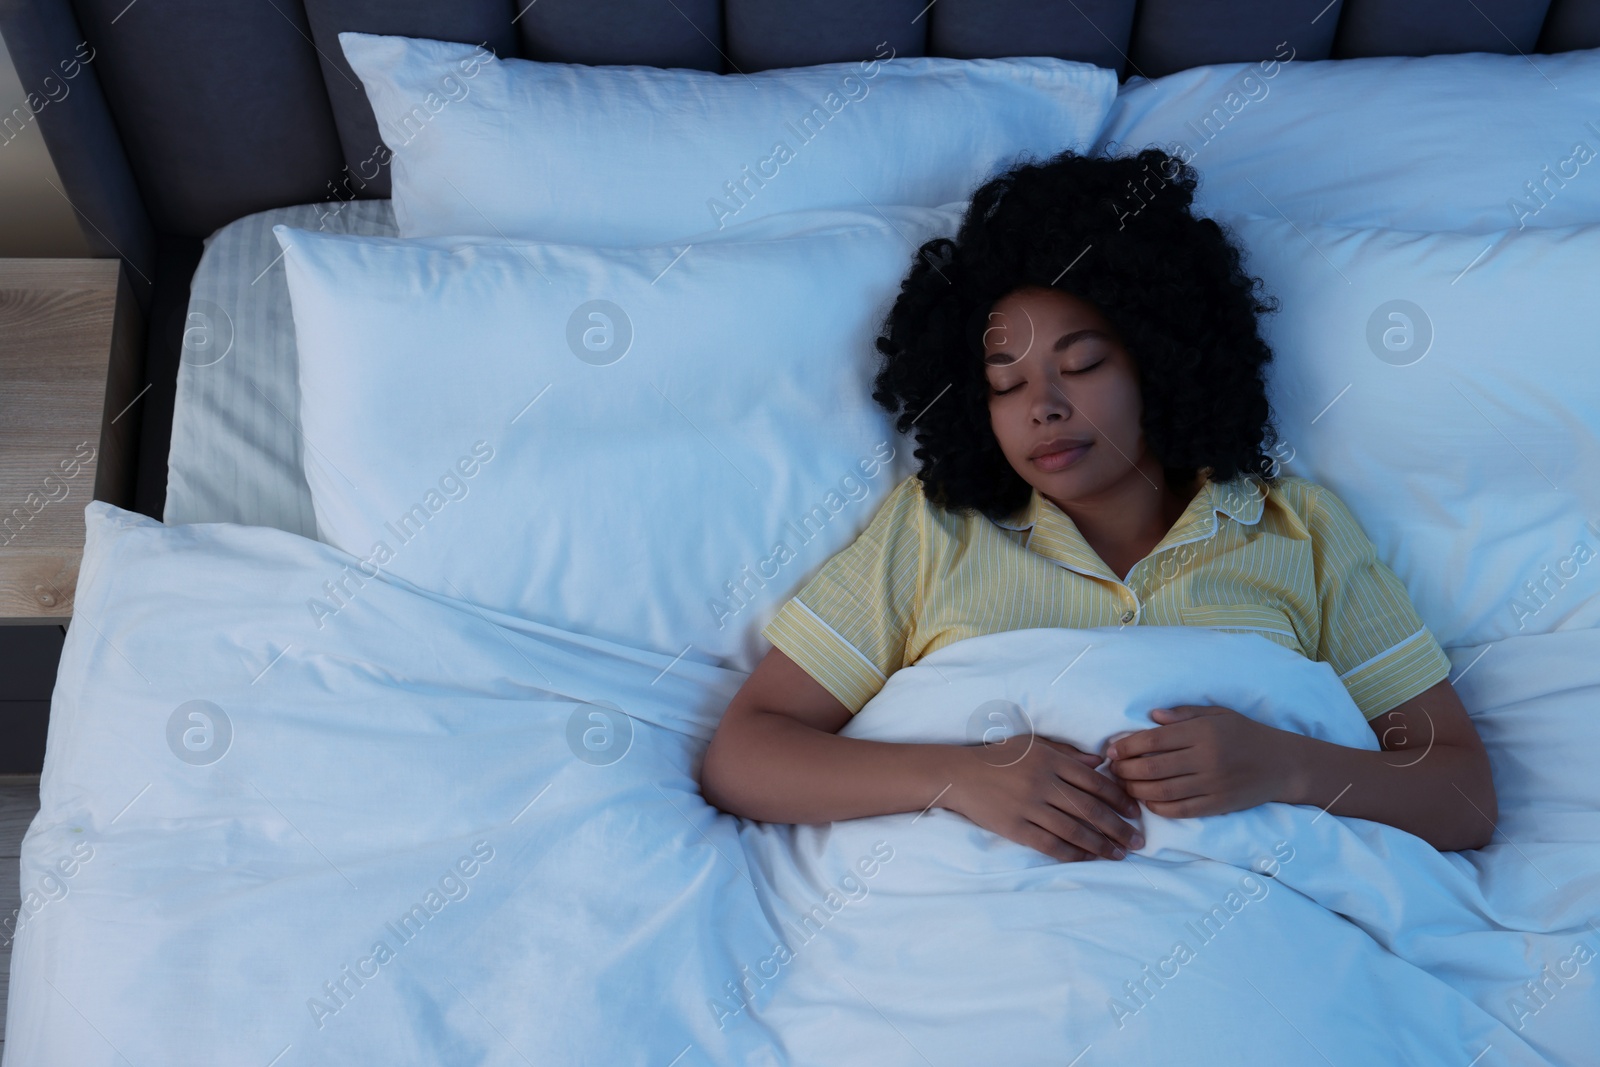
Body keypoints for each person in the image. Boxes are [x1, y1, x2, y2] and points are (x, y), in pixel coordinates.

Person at [698, 146, 1497, 862]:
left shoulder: (1298, 527)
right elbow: (745, 755)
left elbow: (1460, 794)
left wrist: (1284, 764)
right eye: (1004, 385)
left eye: (1080, 366)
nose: (1040, 405)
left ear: (1160, 358)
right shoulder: (934, 526)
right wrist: (961, 774)